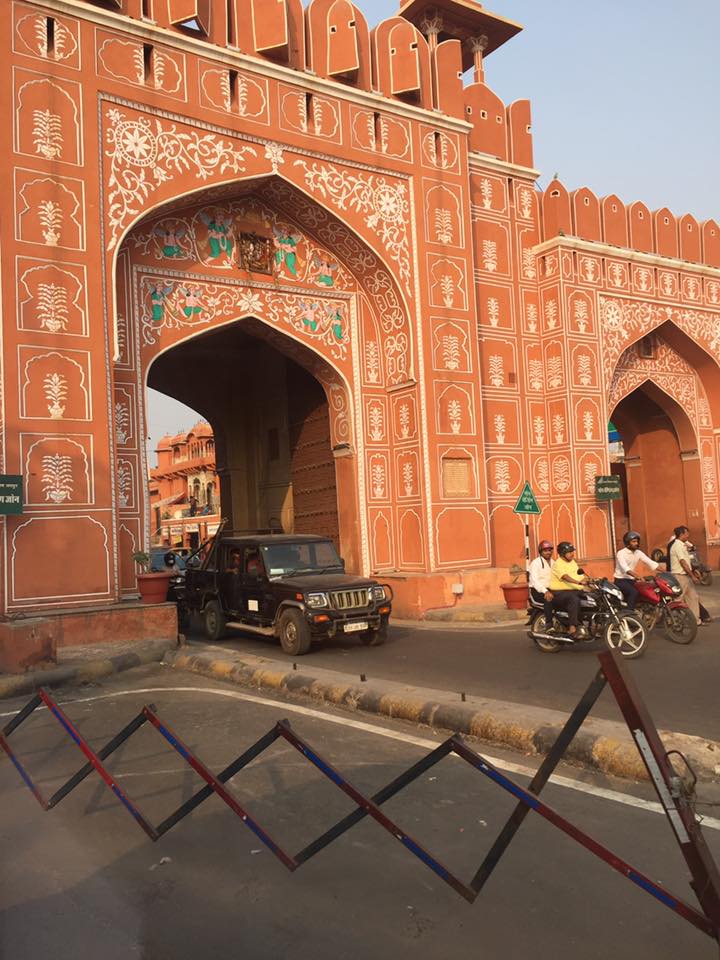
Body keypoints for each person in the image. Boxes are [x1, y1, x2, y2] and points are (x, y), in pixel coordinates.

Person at [548, 542, 589, 636]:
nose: (572, 554)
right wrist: (578, 582)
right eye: (569, 552)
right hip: (558, 593)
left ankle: (591, 624)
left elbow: (580, 575)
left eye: (572, 551)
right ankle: (572, 626)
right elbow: (565, 576)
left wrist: (591, 581)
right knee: (573, 599)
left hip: (573, 590)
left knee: (592, 598)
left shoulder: (572, 562)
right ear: (562, 553)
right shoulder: (558, 564)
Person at [614, 531, 660, 610]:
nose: (636, 543)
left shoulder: (638, 552)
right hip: (621, 580)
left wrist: (666, 572)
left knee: (646, 591)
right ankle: (629, 613)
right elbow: (625, 569)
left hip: (632, 580)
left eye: (637, 541)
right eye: (633, 541)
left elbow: (651, 563)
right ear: (628, 543)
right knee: (633, 592)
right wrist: (638, 576)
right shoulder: (620, 553)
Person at [668, 526, 702, 625]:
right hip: (679, 576)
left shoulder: (682, 545)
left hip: (685, 575)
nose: (688, 535)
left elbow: (687, 561)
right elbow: (683, 562)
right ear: (681, 534)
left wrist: (693, 572)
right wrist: (692, 576)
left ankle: (695, 620)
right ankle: (672, 620)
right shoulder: (677, 546)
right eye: (687, 533)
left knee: (693, 597)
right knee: (678, 599)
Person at [529, 540, 555, 626]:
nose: (548, 552)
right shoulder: (535, 563)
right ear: (541, 551)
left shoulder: (554, 562)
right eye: (545, 550)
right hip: (537, 591)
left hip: (551, 589)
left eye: (550, 550)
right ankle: (549, 624)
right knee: (548, 598)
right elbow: (534, 580)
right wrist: (545, 591)